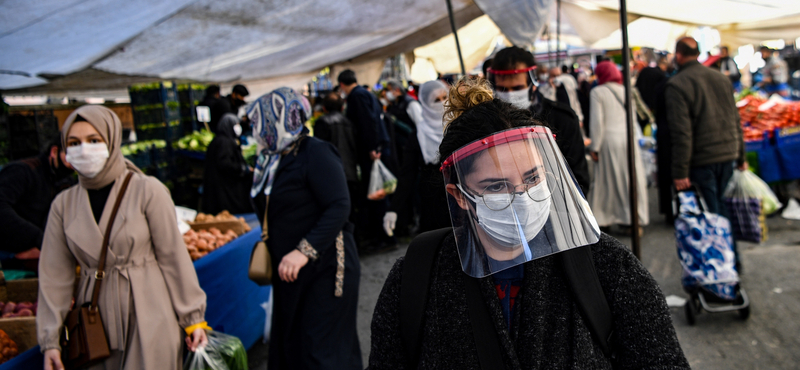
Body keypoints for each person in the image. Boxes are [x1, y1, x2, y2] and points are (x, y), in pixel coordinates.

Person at [367, 77, 689, 369]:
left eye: (533, 178)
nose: (522, 197)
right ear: (460, 195)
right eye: (496, 186)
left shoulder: (605, 265)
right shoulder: (416, 277)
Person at [37, 105, 209, 370]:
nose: (84, 149)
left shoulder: (147, 190)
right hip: (93, 321)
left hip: (150, 309)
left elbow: (173, 256)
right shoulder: (63, 205)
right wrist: (50, 339)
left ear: (112, 140)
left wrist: (193, 317)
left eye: (94, 140)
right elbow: (54, 275)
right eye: (74, 142)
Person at [248, 88, 362, 370]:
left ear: (277, 119)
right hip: (291, 272)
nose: (254, 129)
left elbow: (339, 205)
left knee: (320, 351)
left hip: (326, 267)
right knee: (293, 346)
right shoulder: (269, 161)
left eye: (257, 121)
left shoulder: (316, 152)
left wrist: (303, 251)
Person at [666, 37, 746, 262]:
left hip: (703, 159)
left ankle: (726, 269)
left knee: (713, 215)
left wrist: (680, 171)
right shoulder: (720, 78)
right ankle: (730, 265)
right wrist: (740, 154)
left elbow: (682, 133)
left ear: (679, 55)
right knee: (719, 209)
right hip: (727, 153)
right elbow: (735, 119)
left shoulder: (678, 84)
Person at [489, 47, 590, 195]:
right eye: (503, 89)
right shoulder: (487, 121)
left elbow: (578, 178)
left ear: (532, 84)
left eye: (517, 88)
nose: (510, 95)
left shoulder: (561, 119)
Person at [587, 61, 650, 234]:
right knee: (629, 179)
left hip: (608, 141)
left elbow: (597, 122)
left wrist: (595, 146)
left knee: (606, 182)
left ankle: (604, 218)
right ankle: (633, 219)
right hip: (628, 139)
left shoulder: (597, 92)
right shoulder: (627, 91)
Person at [383, 80, 451, 237]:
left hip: (463, 198)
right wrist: (394, 209)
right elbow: (407, 174)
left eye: (444, 97)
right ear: (425, 104)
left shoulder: (462, 125)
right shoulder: (419, 135)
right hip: (433, 202)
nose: (442, 103)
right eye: (436, 100)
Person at [338, 69, 394, 252]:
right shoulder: (364, 93)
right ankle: (383, 235)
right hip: (377, 149)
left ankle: (385, 237)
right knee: (378, 193)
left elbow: (367, 122)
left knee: (377, 194)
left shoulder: (357, 96)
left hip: (373, 152)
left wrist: (373, 147)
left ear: (342, 85)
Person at [0, 136, 75, 262]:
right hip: (10, 254)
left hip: (43, 254)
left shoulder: (68, 182)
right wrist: (38, 238)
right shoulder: (22, 171)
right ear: (54, 152)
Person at [315, 91, 360, 218]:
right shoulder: (349, 122)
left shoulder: (322, 122)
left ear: (324, 108)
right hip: (350, 170)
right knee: (350, 208)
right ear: (342, 107)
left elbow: (320, 150)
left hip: (332, 172)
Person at [202, 113, 253, 214]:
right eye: (236, 124)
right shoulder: (225, 142)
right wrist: (243, 169)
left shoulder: (219, 140)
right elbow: (225, 163)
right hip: (224, 188)